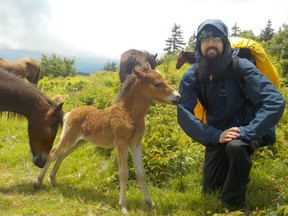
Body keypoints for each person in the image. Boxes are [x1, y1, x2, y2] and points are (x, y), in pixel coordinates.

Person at [177, 19, 285, 209]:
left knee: (236, 146)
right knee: (210, 188)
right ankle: (235, 168)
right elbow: (184, 113)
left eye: (216, 39)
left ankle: (234, 204)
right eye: (205, 39)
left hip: (246, 128)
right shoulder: (192, 75)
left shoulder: (241, 67)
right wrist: (214, 135)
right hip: (218, 133)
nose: (211, 43)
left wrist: (248, 131)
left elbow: (275, 101)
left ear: (224, 42)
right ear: (198, 45)